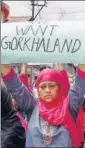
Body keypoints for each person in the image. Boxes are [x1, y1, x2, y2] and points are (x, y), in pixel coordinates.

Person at [2, 64, 85, 147]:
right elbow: (16, 88)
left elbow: (80, 83)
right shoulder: (32, 107)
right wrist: (4, 64)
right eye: (43, 87)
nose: (47, 90)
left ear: (59, 87)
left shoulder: (69, 106)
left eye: (52, 86)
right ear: (38, 90)